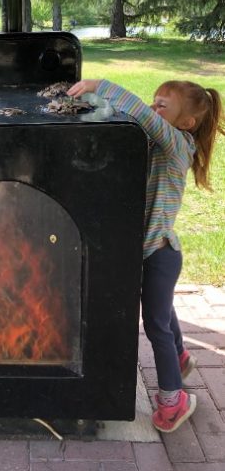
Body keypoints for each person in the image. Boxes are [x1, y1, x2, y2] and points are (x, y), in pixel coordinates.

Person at [67, 78, 224, 433]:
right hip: (150, 250)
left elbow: (140, 115)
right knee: (162, 309)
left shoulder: (177, 145)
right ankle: (181, 358)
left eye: (163, 106)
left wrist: (101, 85)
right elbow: (134, 119)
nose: (154, 110)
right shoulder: (156, 142)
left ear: (187, 123)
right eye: (154, 102)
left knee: (155, 325)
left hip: (159, 253)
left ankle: (173, 400)